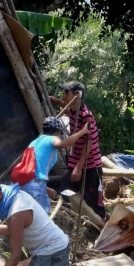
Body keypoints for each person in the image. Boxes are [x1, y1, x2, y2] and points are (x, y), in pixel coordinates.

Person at [49, 81, 106, 219]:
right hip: (75, 163)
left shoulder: (86, 115)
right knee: (64, 193)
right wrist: (56, 101)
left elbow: (90, 142)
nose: (63, 95)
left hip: (90, 166)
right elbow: (68, 109)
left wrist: (79, 167)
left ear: (77, 95)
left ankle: (101, 228)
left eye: (66, 93)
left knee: (94, 205)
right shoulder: (74, 110)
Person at [19, 116, 90, 213]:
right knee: (43, 217)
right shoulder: (51, 139)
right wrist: (83, 131)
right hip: (35, 185)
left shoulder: (34, 142)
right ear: (57, 132)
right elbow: (62, 144)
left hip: (23, 183)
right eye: (60, 133)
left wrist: (45, 188)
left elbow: (35, 169)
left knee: (28, 214)